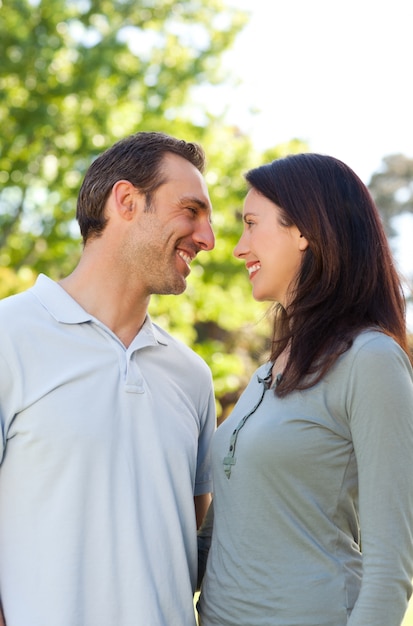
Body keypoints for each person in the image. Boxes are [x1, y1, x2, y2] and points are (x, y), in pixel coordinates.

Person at [0, 131, 216, 626]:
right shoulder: (8, 337)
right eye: (191, 210)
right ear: (126, 201)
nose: (208, 238)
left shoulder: (192, 376)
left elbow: (189, 534)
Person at [197, 153, 413, 626]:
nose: (238, 247)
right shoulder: (264, 375)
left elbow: (390, 570)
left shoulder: (370, 361)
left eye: (252, 224)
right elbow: (219, 537)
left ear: (304, 231)